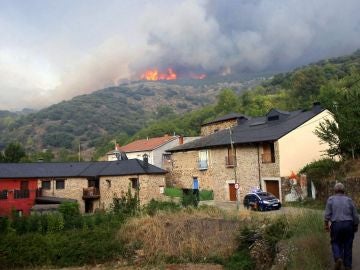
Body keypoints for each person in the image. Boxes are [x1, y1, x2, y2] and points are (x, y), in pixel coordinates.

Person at [324, 182, 359, 270]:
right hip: (348, 224)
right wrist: (356, 225)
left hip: (336, 224)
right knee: (348, 245)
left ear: (335, 190)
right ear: (343, 191)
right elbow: (355, 215)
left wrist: (326, 225)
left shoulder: (331, 199)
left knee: (335, 242)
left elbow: (327, 215)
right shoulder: (349, 200)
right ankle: (347, 265)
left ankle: (338, 258)